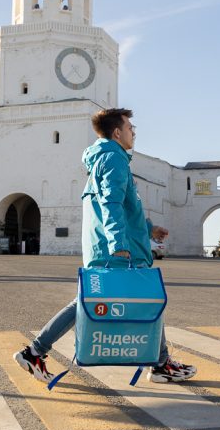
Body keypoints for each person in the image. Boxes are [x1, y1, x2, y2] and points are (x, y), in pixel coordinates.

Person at [15, 108, 196, 384]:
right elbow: (110, 204)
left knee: (120, 299)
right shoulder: (113, 159)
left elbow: (122, 206)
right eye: (130, 127)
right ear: (117, 132)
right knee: (146, 298)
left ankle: (35, 352)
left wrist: (148, 229)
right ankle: (159, 364)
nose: (134, 131)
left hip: (108, 246)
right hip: (117, 250)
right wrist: (118, 244)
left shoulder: (107, 158)